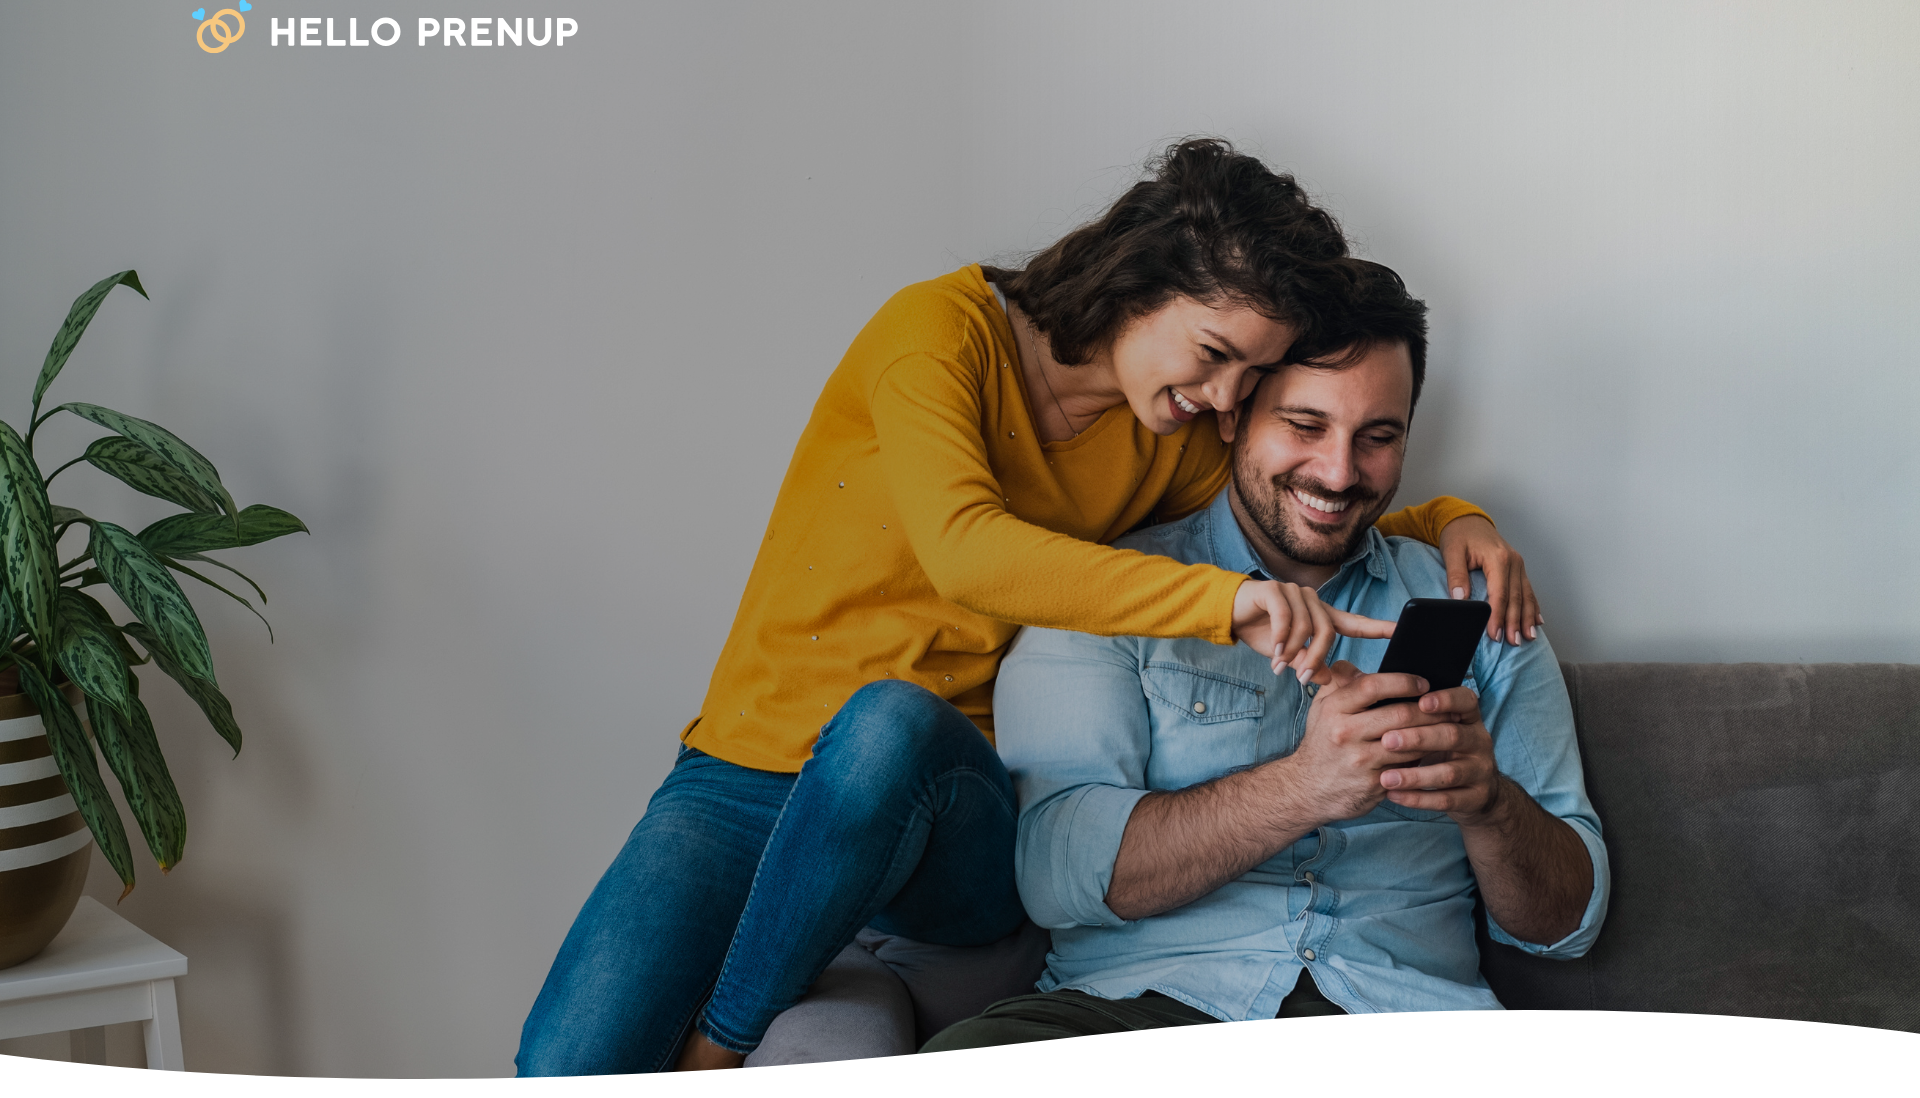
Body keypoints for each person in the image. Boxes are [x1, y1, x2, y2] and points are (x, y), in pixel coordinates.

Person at [515, 140, 1541, 1074]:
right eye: (1214, 353)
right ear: (1144, 283)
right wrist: (1227, 603)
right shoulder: (938, 335)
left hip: (941, 794)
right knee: (560, 1066)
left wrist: (1458, 514)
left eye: (1249, 375)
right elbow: (968, 550)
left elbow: (1314, 491)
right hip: (749, 765)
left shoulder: (1171, 435)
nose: (1226, 397)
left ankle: (713, 1056)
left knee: (887, 724)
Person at [925, 259, 1606, 1050]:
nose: (1339, 472)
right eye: (1305, 425)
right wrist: (1305, 787)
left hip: (1412, 1028)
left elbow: (1568, 925)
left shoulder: (1479, 602)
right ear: (1232, 415)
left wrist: (1488, 804)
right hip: (1137, 1017)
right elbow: (1053, 874)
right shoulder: (1105, 593)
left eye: (1378, 437)